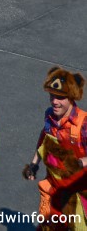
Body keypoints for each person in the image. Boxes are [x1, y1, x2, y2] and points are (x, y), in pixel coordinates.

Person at [22, 66, 87, 224]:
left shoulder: (83, 123)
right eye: (52, 96)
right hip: (53, 189)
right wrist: (34, 164)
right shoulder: (49, 115)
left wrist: (80, 162)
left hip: (78, 194)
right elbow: (44, 138)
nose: (54, 102)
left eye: (60, 97)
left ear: (71, 97)